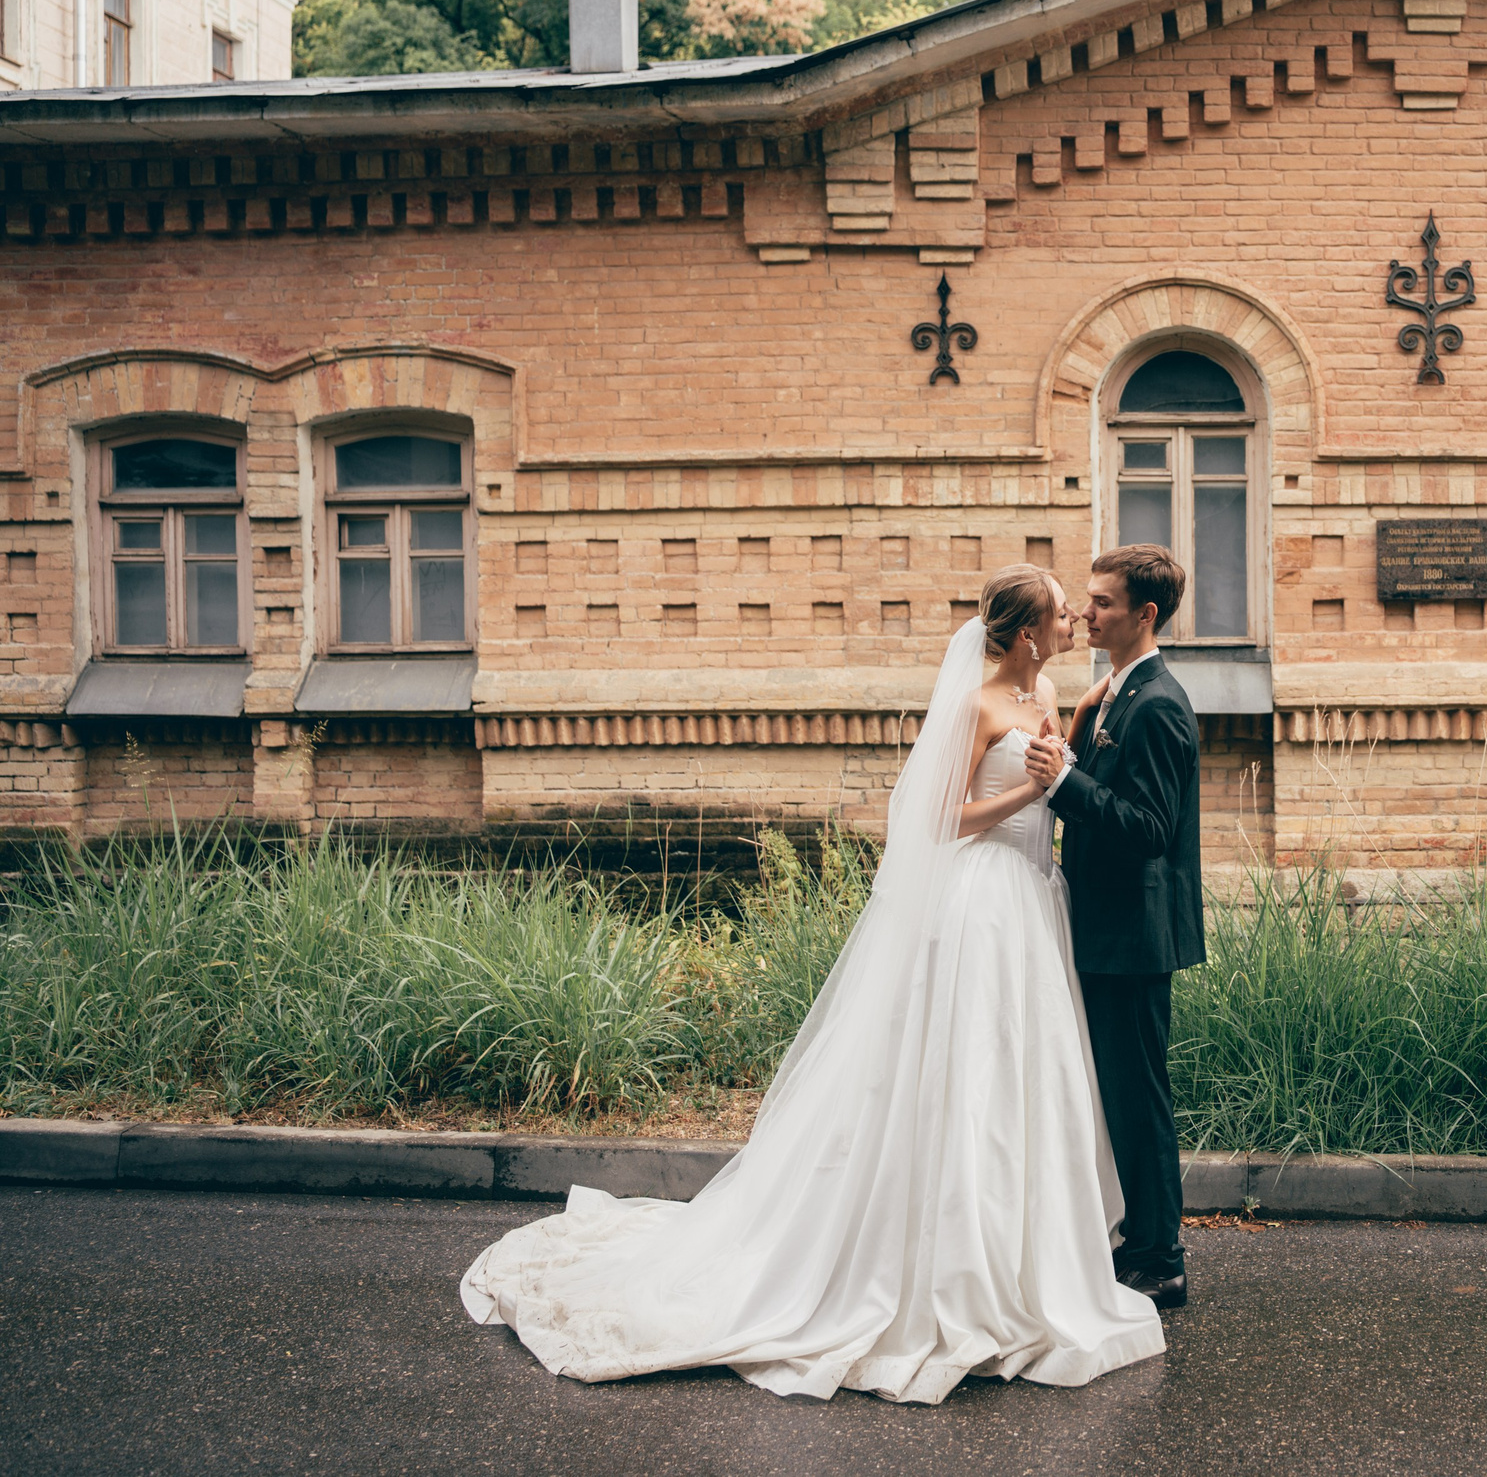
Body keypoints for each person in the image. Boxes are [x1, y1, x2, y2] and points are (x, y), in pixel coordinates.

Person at [457, 565, 1162, 1405]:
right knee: (964, 1070)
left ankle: (1022, 1256)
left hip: (1033, 898)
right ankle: (939, 1267)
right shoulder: (976, 706)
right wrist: (1026, 789)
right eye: (1056, 614)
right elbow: (931, 819)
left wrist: (1065, 752)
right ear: (1020, 633)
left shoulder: (1049, 689)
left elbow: (1061, 773)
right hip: (982, 897)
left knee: (1024, 1074)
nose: (1073, 620)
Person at [1026, 543, 1205, 1311]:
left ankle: (1161, 1257)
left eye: (1101, 602)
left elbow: (1149, 828)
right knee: (1121, 1092)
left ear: (1145, 614)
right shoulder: (1118, 695)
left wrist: (1062, 782)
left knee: (1139, 1095)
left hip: (1134, 934)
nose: (1085, 612)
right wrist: (1079, 733)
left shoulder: (1159, 704)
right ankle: (1140, 1238)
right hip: (1107, 924)